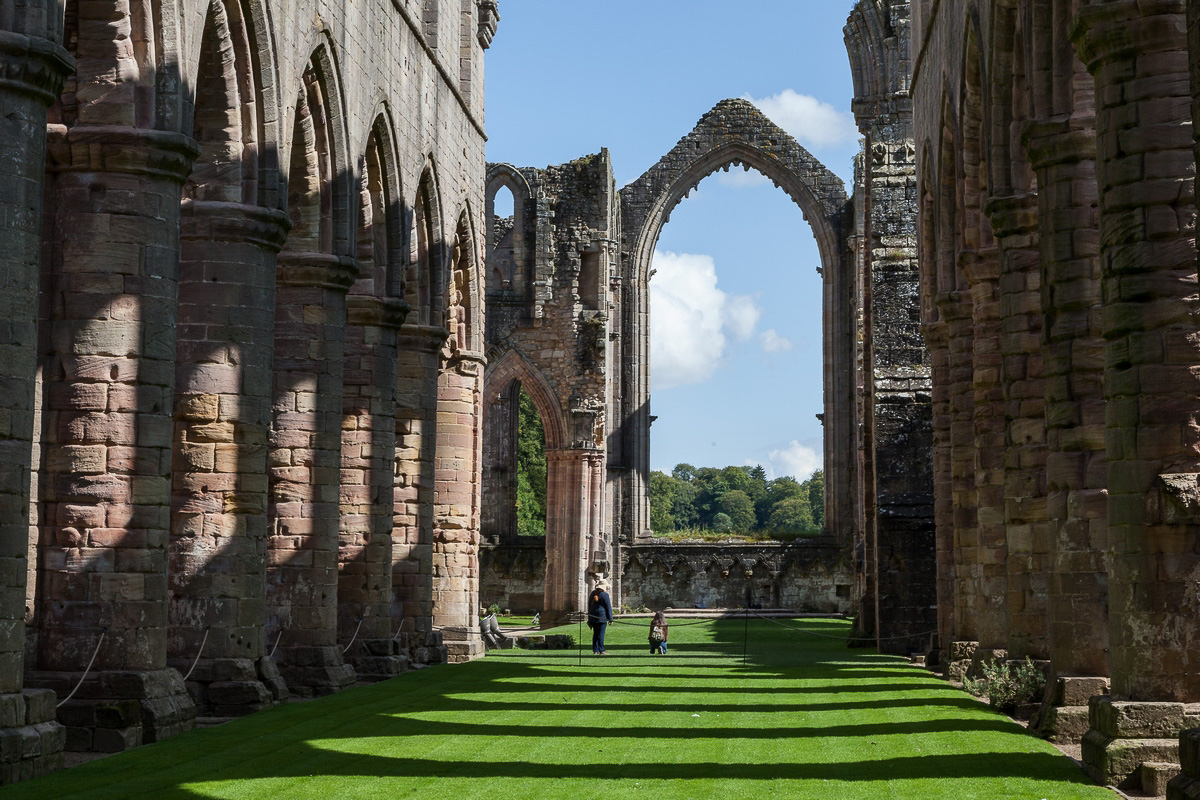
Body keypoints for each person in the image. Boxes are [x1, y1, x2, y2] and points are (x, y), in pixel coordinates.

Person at [587, 580, 613, 654]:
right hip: (602, 617)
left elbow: (589, 605)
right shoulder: (604, 595)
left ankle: (595, 650)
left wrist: (589, 617)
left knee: (595, 634)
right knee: (601, 634)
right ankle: (601, 650)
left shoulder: (593, 593)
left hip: (593, 616)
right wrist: (610, 619)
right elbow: (608, 607)